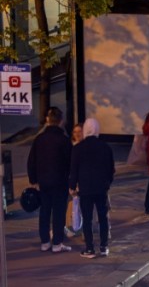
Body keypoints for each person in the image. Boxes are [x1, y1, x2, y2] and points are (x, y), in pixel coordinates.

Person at [27, 107, 73, 253]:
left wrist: (33, 180)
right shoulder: (64, 141)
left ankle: (45, 241)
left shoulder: (39, 139)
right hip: (60, 182)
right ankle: (57, 243)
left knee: (44, 211)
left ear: (47, 120)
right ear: (61, 121)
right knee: (59, 212)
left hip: (43, 182)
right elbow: (70, 162)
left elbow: (31, 161)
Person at [68, 118, 114, 259]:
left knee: (87, 218)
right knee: (103, 217)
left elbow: (74, 170)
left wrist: (72, 186)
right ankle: (104, 246)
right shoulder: (105, 147)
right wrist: (107, 184)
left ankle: (89, 248)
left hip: (85, 188)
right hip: (101, 188)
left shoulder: (78, 148)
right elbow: (111, 169)